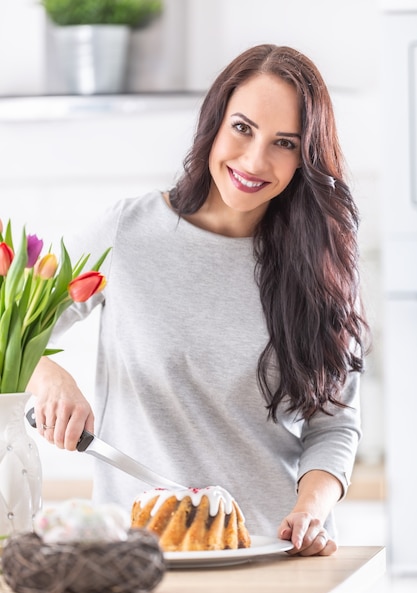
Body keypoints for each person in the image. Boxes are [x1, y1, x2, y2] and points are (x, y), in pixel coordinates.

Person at [28, 44, 369, 557]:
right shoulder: (127, 231)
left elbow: (335, 424)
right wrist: (48, 373)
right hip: (139, 560)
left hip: (270, 552)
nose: (255, 160)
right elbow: (15, 325)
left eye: (285, 143)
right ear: (214, 120)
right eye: (242, 128)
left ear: (306, 157)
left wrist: (309, 512)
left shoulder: (322, 266)